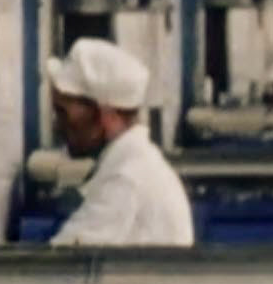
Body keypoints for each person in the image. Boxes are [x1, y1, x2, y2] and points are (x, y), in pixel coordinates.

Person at [45, 38, 195, 247]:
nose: (58, 126)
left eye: (64, 113)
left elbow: (59, 268)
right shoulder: (133, 164)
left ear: (106, 116)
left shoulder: (124, 179)